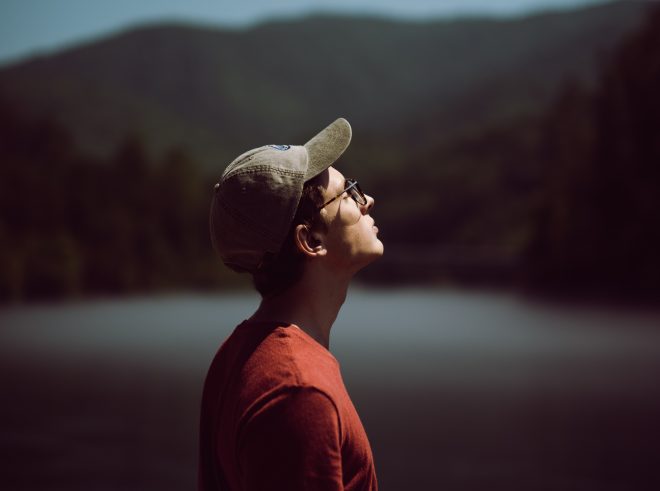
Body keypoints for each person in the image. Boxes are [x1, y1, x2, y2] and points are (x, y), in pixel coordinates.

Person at [199, 118, 383, 491]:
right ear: (311, 240)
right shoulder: (298, 392)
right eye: (348, 192)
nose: (367, 201)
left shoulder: (240, 353)